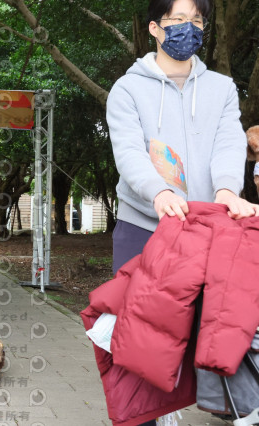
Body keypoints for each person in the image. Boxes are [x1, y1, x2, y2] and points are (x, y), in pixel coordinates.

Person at [106, 0, 259, 424]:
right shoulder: (127, 89)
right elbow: (129, 151)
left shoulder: (221, 88)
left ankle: (231, 408)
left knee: (221, 327)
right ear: (155, 28)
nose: (188, 28)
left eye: (197, 20)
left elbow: (229, 142)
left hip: (207, 228)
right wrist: (158, 193)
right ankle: (148, 414)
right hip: (143, 226)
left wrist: (227, 190)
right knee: (137, 334)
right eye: (178, 20)